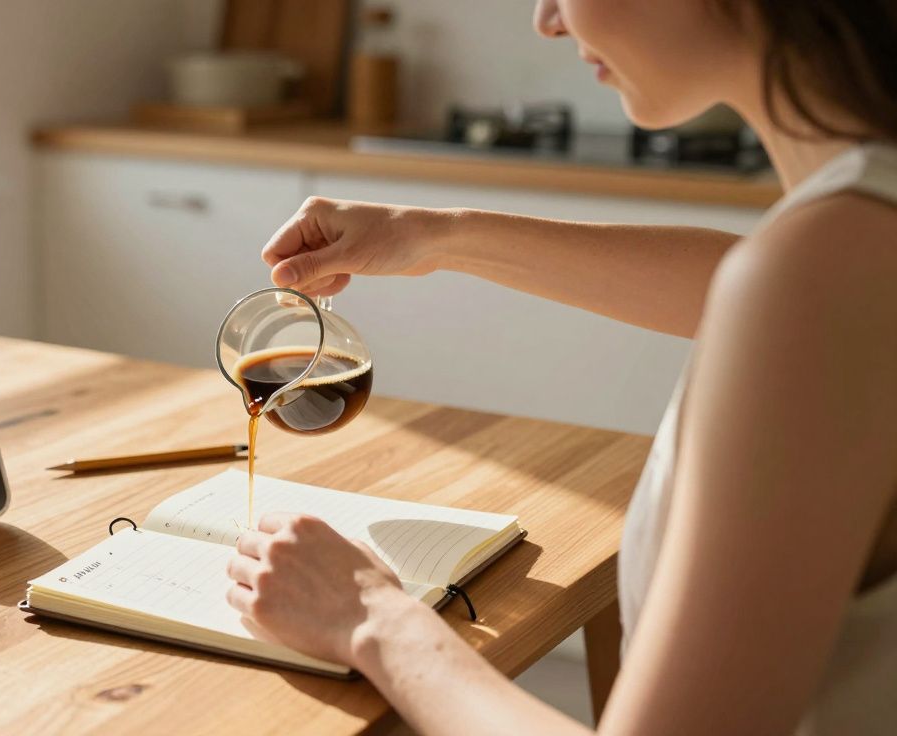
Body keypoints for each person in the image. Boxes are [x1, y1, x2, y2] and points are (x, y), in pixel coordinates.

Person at [224, 1, 897, 733]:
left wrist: (373, 620)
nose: (546, 19)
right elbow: (745, 285)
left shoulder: (823, 275)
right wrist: (432, 236)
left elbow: (792, 297)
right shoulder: (856, 225)